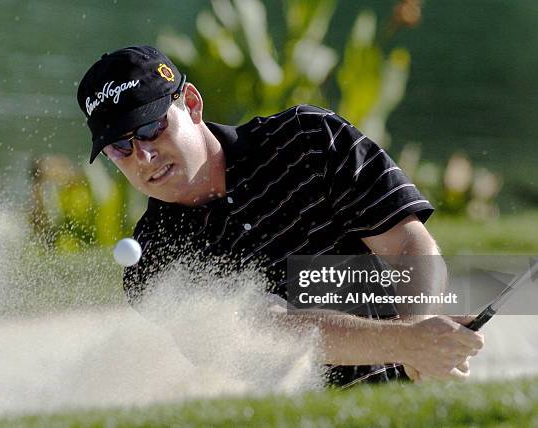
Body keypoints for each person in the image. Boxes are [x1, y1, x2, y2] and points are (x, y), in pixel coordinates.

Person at [76, 45, 484, 386]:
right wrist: (409, 343)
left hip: (411, 384)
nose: (143, 156)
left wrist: (424, 328)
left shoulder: (307, 139)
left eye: (150, 128)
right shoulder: (155, 260)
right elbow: (267, 328)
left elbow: (406, 242)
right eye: (120, 148)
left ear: (193, 104)